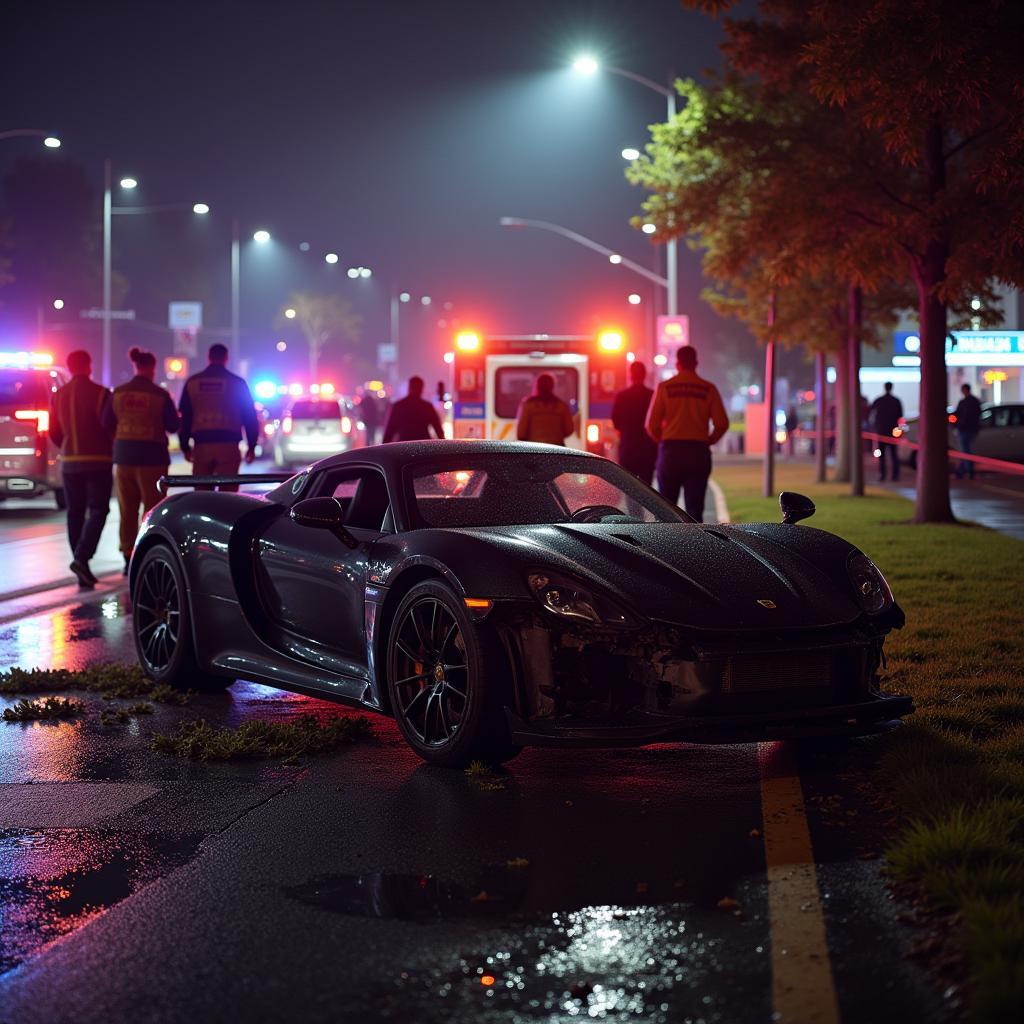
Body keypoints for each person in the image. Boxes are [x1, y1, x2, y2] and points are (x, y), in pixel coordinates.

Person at [102, 347, 180, 572]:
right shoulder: (160, 394)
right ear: (152, 368)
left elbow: (106, 423)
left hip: (124, 457)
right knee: (152, 509)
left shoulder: (118, 393)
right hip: (152, 459)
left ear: (135, 366)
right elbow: (173, 425)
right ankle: (148, 553)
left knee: (127, 509)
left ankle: (127, 556)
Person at [49, 350, 113, 588]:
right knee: (98, 509)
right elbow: (109, 427)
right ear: (89, 366)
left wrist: (67, 448)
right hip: (97, 461)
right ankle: (82, 557)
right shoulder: (101, 394)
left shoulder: (58, 395)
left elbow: (54, 432)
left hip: (69, 462)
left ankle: (80, 564)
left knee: (74, 511)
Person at [645, 345, 729, 522]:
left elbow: (651, 425)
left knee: (666, 510)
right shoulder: (708, 389)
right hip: (698, 452)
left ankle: (667, 548)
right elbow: (722, 423)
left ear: (677, 364)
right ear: (696, 363)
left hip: (671, 452)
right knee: (695, 510)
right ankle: (695, 547)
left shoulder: (665, 388)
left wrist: (663, 440)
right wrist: (709, 440)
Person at [179, 344, 259, 492]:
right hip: (229, 446)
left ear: (208, 358)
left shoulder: (193, 383)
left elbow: (185, 417)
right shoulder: (237, 383)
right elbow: (249, 417)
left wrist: (185, 446)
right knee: (228, 495)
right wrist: (251, 446)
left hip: (202, 446)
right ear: (226, 358)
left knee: (202, 494)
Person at [611, 361, 657, 483]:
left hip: (628, 447)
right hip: (648, 449)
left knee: (629, 488)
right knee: (646, 490)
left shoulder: (622, 396)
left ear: (630, 375)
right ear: (645, 375)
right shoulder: (652, 395)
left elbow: (615, 421)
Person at [515, 373, 575, 446]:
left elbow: (521, 434)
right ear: (552, 386)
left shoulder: (528, 405)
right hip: (557, 449)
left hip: (535, 449)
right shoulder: (562, 406)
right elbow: (569, 430)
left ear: (537, 386)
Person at [382, 376, 444, 442]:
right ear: (422, 389)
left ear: (409, 388)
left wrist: (383, 449)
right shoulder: (427, 406)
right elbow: (438, 429)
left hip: (403, 446)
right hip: (423, 445)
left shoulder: (398, 406)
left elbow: (389, 431)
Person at [869, 381, 904, 481]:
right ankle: (895, 476)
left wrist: (874, 427)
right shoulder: (896, 401)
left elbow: (871, 413)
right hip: (892, 432)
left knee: (882, 456)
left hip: (882, 431)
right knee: (893, 455)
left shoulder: (879, 400)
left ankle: (883, 475)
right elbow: (900, 417)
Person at [954, 383, 983, 479]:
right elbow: (979, 414)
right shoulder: (975, 401)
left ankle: (966, 470)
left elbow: (958, 415)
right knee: (966, 450)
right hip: (971, 428)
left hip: (965, 428)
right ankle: (963, 470)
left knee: (965, 450)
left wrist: (958, 425)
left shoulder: (964, 402)